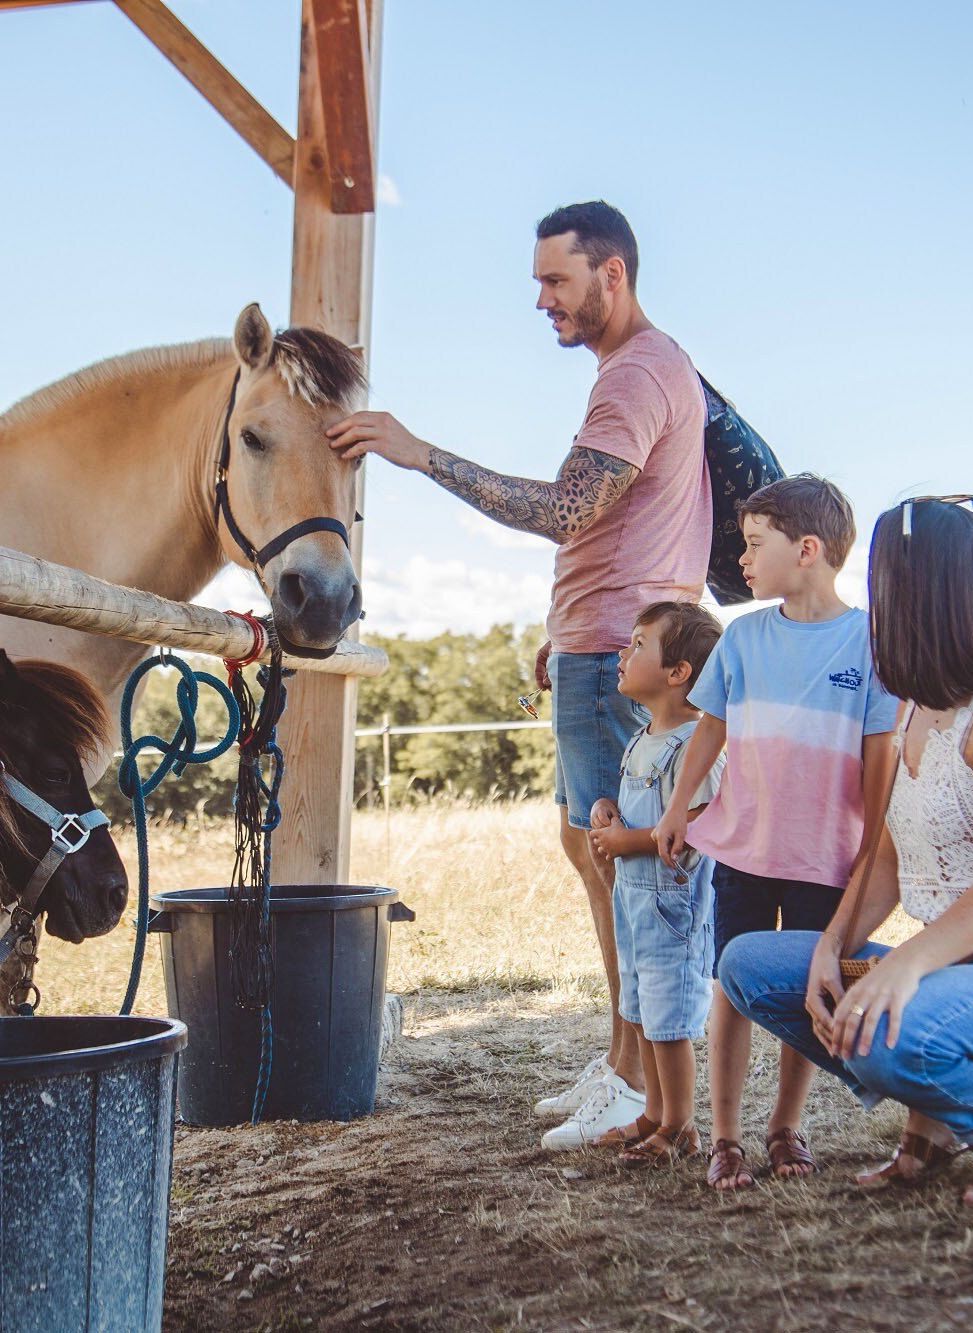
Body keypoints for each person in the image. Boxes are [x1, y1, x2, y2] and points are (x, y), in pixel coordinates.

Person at [327, 202, 711, 1139]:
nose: (541, 300)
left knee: (620, 862)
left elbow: (567, 508)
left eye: (556, 280)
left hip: (616, 646)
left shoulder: (636, 376)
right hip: (602, 639)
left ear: (611, 274)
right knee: (593, 852)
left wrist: (420, 455)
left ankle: (639, 1085)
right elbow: (623, 522)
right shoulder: (644, 369)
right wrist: (570, 628)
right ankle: (623, 1061)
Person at [717, 496, 973, 1206]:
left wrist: (896, 970)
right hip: (946, 962)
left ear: (923, 592)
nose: (875, 602)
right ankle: (930, 1121)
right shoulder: (908, 707)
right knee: (747, 962)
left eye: (884, 583)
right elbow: (888, 863)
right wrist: (833, 947)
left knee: (880, 1023)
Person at [652, 476, 899, 1190]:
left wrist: (871, 848)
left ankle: (785, 1125)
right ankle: (725, 1136)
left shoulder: (872, 642)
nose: (743, 558)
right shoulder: (743, 639)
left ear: (809, 550)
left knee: (805, 990)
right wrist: (676, 811)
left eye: (756, 544)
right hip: (745, 847)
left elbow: (879, 756)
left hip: (829, 856)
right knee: (732, 981)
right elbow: (711, 728)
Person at [554, 601, 726, 1157]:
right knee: (642, 1009)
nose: (623, 655)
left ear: (678, 674)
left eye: (637, 645)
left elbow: (705, 821)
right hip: (635, 905)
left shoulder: (695, 746)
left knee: (669, 1019)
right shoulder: (639, 739)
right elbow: (633, 808)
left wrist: (628, 841)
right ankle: (652, 1111)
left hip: (674, 910)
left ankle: (679, 1124)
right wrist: (608, 809)